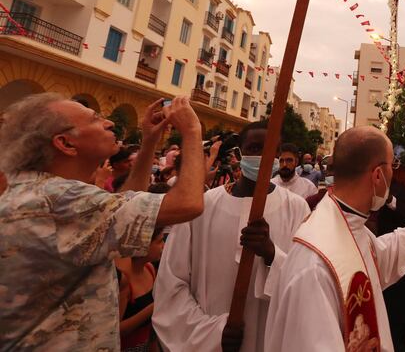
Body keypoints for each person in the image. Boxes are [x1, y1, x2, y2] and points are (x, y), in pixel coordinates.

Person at [0, 94, 205, 350]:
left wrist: (150, 141)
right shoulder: (62, 200)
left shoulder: (44, 192)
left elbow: (122, 210)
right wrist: (192, 131)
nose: (109, 123)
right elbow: (188, 203)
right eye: (95, 119)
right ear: (65, 143)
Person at [263, 126, 405, 351]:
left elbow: (379, 256)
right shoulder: (315, 264)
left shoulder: (346, 223)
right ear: (378, 175)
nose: (394, 173)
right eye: (392, 165)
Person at [153, 120, 310, 352]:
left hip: (268, 339)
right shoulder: (202, 206)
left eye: (270, 151)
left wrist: (272, 254)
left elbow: (306, 283)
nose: (262, 157)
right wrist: (210, 333)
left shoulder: (297, 209)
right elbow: (171, 282)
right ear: (240, 152)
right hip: (211, 338)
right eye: (254, 149)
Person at [376, 178, 405, 352]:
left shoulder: (399, 188)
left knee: (395, 317)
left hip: (393, 262)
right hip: (365, 258)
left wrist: (389, 199)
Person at [117, 228, 165, 351]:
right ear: (143, 244)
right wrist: (154, 307)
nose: (163, 246)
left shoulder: (149, 269)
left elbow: (151, 326)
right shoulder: (122, 280)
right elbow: (116, 329)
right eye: (159, 242)